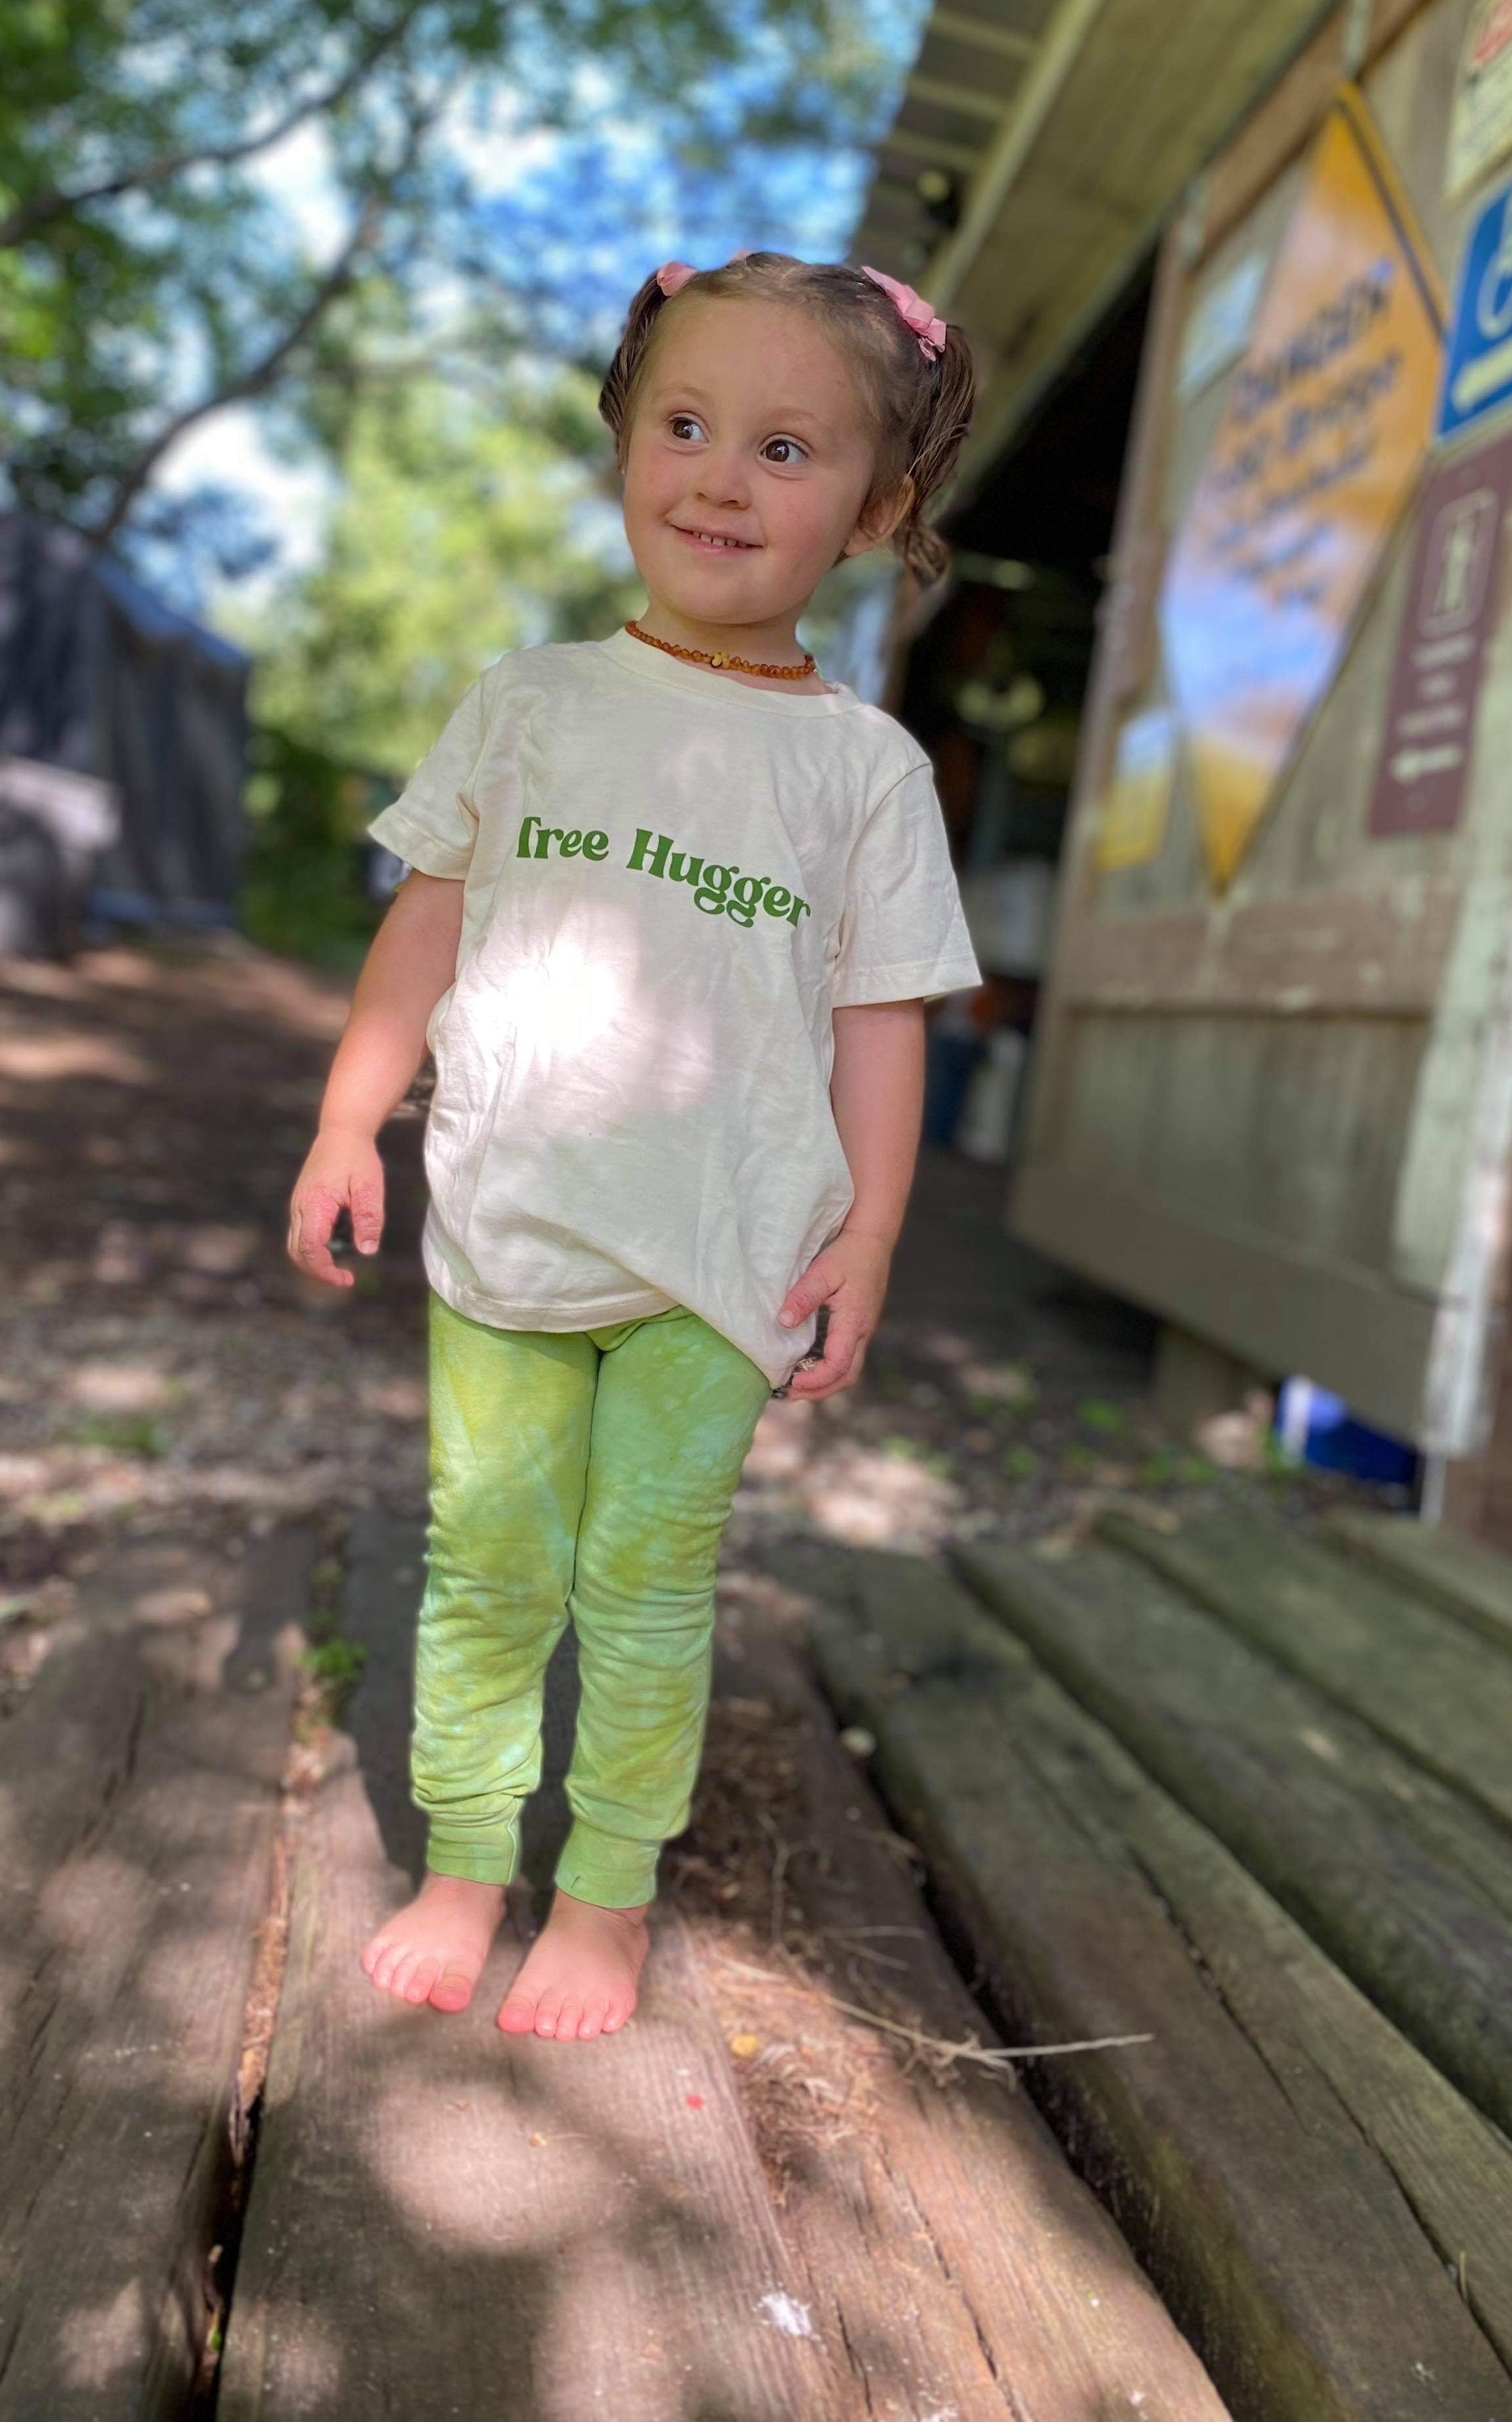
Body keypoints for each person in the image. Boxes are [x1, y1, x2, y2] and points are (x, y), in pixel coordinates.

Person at [286, 249, 982, 2044]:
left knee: (649, 1578)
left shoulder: (865, 776)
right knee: (490, 1561)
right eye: (683, 424)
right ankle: (461, 1865)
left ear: (876, 505)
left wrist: (875, 1233)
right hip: (511, 1231)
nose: (718, 477)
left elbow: (880, 1021)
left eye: (782, 447)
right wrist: (352, 1114)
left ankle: (603, 1890)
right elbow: (426, 926)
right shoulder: (531, 704)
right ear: (622, 443)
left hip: (721, 1251)